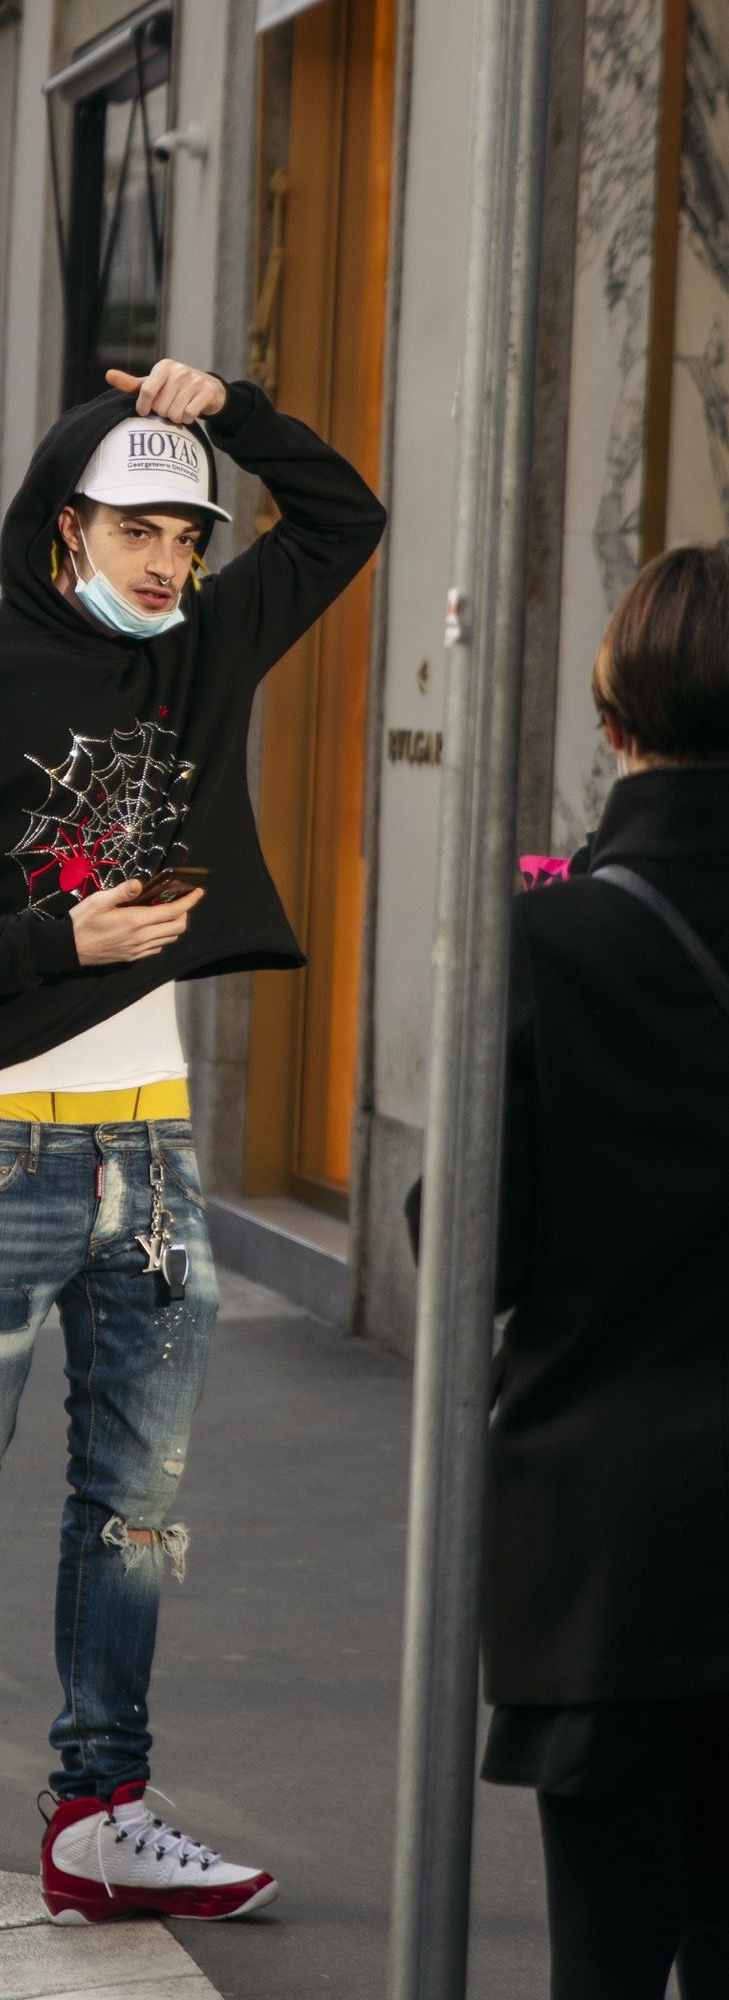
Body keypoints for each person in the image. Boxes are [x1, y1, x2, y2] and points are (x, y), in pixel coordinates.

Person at [0, 358, 384, 1917]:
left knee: (138, 1500)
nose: (167, 562)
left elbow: (345, 519)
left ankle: (100, 1805)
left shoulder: (204, 648)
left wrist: (232, 408)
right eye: (135, 530)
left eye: (186, 535)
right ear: (65, 530)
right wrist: (55, 942)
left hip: (151, 1142)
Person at [469, 546, 729, 1996]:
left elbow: (473, 1246)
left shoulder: (552, 940)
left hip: (610, 1560)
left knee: (608, 1966)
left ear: (615, 720)